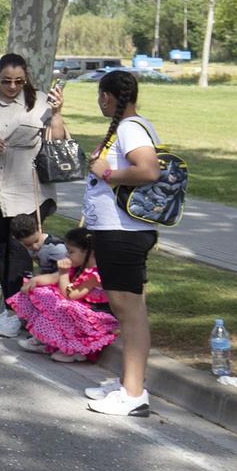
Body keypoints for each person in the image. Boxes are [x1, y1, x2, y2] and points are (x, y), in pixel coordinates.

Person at [81, 69, 165, 416]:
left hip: (123, 233)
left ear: (107, 97)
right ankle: (130, 384)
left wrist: (106, 172)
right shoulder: (131, 126)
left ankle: (133, 396)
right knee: (134, 311)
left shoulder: (130, 128)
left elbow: (148, 170)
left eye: (101, 97)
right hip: (119, 231)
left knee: (128, 312)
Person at [0, 54, 67, 318]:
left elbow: (58, 143)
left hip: (28, 191)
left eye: (18, 81)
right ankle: (11, 309)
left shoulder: (41, 101)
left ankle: (21, 312)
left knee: (20, 249)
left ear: (26, 78)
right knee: (4, 250)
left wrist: (57, 114)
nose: (12, 86)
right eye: (6, 81)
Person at [8, 226, 116, 363]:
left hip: (95, 317)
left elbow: (70, 295)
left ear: (89, 252)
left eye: (71, 252)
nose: (67, 255)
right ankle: (48, 341)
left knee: (62, 304)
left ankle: (73, 350)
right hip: (80, 310)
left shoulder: (95, 274)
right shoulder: (79, 266)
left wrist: (64, 274)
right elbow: (54, 277)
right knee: (43, 293)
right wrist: (34, 281)